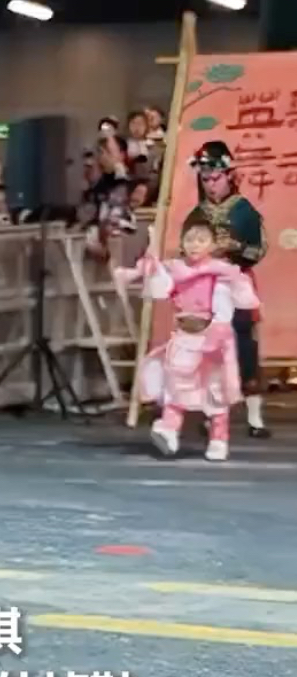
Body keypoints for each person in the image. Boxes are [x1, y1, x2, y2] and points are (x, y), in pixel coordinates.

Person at [115, 214, 260, 461]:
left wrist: (218, 331)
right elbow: (159, 286)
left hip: (214, 339)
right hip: (186, 336)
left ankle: (218, 439)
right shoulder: (176, 269)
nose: (195, 245)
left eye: (201, 240)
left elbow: (235, 303)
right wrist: (151, 261)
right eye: (190, 240)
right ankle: (169, 430)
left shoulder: (222, 272)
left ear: (212, 245)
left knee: (215, 391)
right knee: (176, 384)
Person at [186, 140, 269, 437]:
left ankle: (255, 419)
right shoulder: (197, 214)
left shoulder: (244, 211)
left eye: (216, 178)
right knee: (209, 351)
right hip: (207, 290)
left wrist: (235, 248)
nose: (211, 185)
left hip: (237, 284)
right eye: (205, 180)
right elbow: (186, 251)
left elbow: (259, 249)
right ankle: (212, 415)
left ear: (228, 176)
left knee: (245, 346)